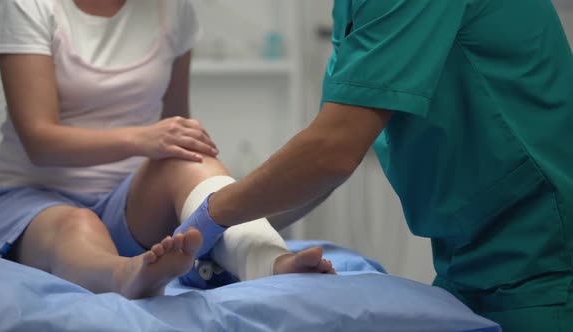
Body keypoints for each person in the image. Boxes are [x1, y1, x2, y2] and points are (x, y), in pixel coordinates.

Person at [180, 0, 573, 330]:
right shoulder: (353, 7)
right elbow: (316, 167)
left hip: (541, 261)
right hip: (472, 262)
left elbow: (331, 152)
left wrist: (211, 216)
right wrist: (231, 237)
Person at [0, 0, 334, 300]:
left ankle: (270, 261)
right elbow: (40, 141)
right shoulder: (30, 6)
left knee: (190, 158)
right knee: (78, 224)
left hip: (129, 203)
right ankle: (125, 275)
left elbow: (177, 128)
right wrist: (139, 139)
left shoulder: (173, 8)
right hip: (34, 199)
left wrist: (183, 170)